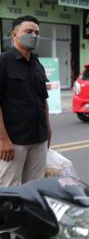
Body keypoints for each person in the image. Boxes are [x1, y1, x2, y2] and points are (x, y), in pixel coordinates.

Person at [0, 15, 51, 187]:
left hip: (39, 138)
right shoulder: (3, 62)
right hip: (14, 141)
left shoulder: (37, 64)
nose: (34, 35)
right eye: (28, 31)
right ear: (14, 35)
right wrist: (3, 140)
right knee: (10, 190)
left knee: (35, 189)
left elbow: (44, 100)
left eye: (37, 32)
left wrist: (48, 131)